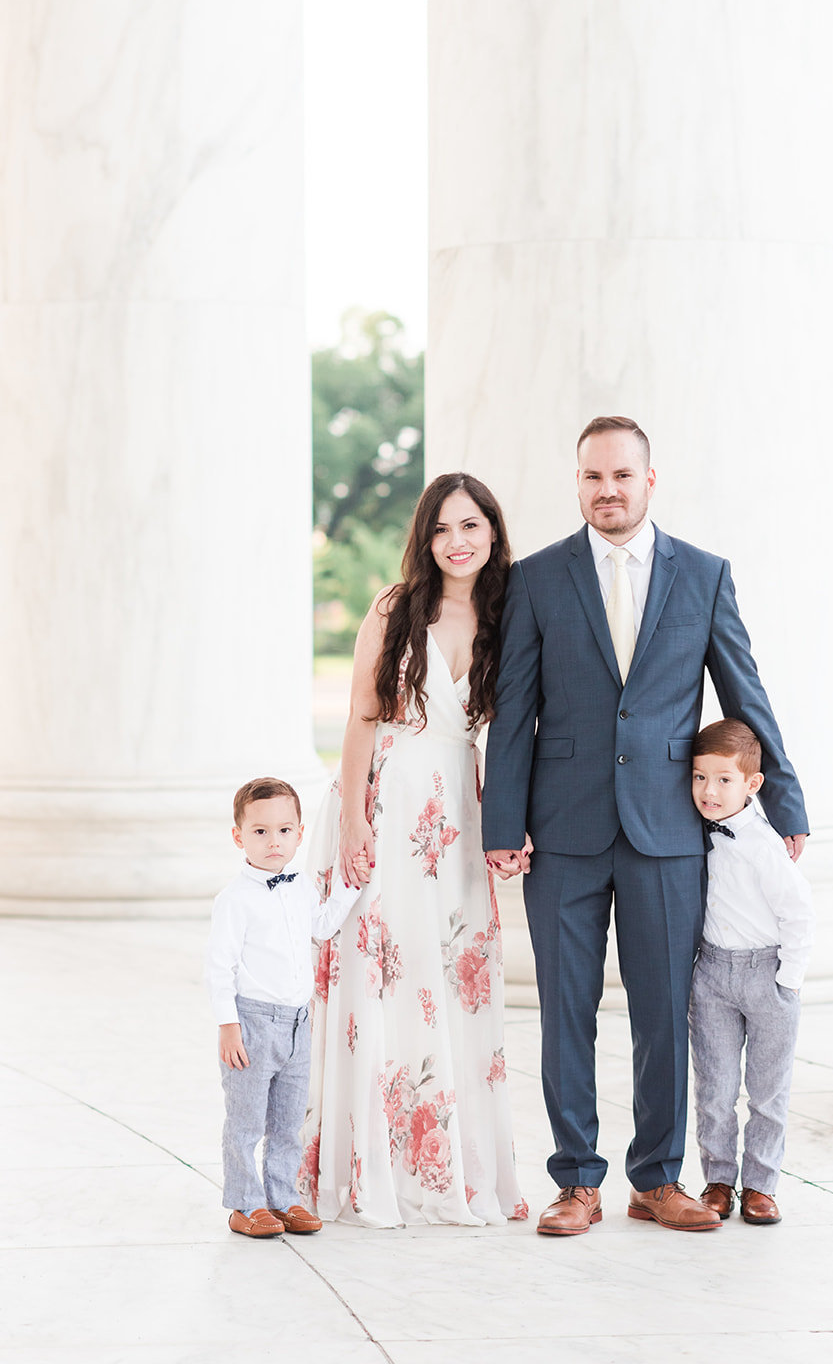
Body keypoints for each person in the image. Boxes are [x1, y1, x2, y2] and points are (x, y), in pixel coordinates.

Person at [482, 415, 808, 1235]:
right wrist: (503, 821)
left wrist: (786, 802)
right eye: (593, 477)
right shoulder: (538, 578)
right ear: (579, 482)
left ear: (649, 479)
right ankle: (576, 1180)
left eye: (622, 476)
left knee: (665, 1011)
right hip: (561, 828)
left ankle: (657, 1178)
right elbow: (515, 708)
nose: (607, 491)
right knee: (565, 1007)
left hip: (668, 829)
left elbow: (745, 693)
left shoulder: (702, 574)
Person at [300, 473, 528, 1227]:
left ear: (493, 531)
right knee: (385, 976)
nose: (457, 541)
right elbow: (362, 716)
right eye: (441, 529)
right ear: (425, 540)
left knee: (455, 977)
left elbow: (520, 732)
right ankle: (378, 1171)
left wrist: (512, 821)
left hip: (460, 814)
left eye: (471, 525)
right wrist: (358, 824)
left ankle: (456, 1170)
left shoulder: (509, 614)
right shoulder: (397, 609)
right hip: (389, 802)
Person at [207, 776, 360, 1238]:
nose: (274, 841)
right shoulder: (234, 900)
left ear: (299, 831)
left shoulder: (301, 887)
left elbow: (324, 925)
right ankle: (244, 1204)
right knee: (246, 1121)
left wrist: (352, 885)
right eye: (260, 832)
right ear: (239, 837)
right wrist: (228, 1026)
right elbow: (219, 968)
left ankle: (282, 1197)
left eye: (284, 830)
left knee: (288, 1121)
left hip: (297, 1022)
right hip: (252, 1023)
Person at [688, 719, 814, 1226]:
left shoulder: (765, 845)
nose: (709, 791)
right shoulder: (693, 831)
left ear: (752, 785)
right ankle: (718, 1179)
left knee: (767, 1089)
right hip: (713, 973)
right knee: (714, 1087)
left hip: (768, 975)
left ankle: (761, 1185)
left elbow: (799, 912)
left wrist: (788, 982)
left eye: (723, 780)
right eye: (699, 778)